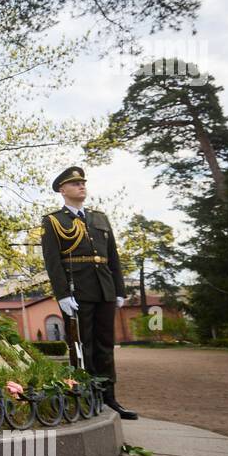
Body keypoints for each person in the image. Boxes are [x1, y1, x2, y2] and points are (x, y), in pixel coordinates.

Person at [39, 166, 138, 420]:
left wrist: (119, 289)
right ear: (63, 190)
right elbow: (52, 261)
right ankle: (85, 394)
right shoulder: (53, 221)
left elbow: (112, 256)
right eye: (75, 184)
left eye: (83, 182)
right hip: (77, 291)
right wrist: (62, 294)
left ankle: (109, 397)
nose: (81, 186)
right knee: (83, 346)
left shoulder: (100, 218)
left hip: (104, 288)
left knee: (106, 345)